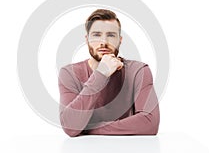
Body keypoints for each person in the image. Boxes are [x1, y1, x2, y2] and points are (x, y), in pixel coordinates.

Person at [58, 9, 160, 137]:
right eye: (96, 35)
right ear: (87, 39)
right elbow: (70, 126)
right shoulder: (69, 73)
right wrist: (101, 74)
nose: (104, 42)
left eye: (111, 35)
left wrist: (89, 129)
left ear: (120, 40)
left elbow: (150, 124)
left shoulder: (138, 71)